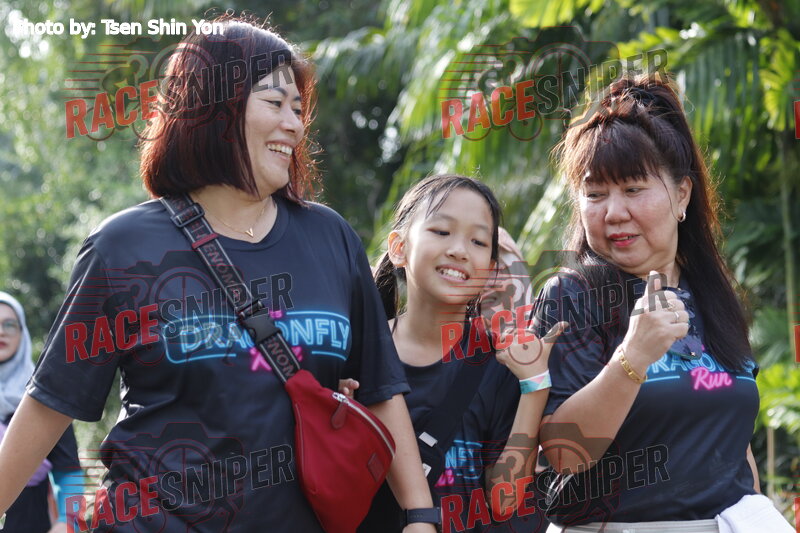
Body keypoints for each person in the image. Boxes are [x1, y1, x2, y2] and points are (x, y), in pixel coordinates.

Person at [0, 15, 438, 532]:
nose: (295, 125)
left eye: (298, 109)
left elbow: (382, 390)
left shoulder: (330, 237)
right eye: (275, 103)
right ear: (213, 108)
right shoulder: (124, 247)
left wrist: (420, 516)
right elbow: (52, 403)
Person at [534, 74, 793, 532]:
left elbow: (736, 450)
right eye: (595, 194)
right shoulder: (572, 298)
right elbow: (562, 455)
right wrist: (632, 356)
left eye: (633, 189)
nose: (614, 212)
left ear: (682, 195)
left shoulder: (713, 295)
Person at [360, 174, 564, 532]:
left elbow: (505, 500)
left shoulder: (501, 363)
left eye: (478, 241)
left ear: (489, 269)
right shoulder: (357, 354)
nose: (459, 250)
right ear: (398, 247)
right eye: (441, 231)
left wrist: (535, 386)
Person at [0, 291, 82, 533]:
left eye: (10, 324)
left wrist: (68, 522)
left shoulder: (43, 396)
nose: (1, 331)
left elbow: (70, 473)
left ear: (22, 332)